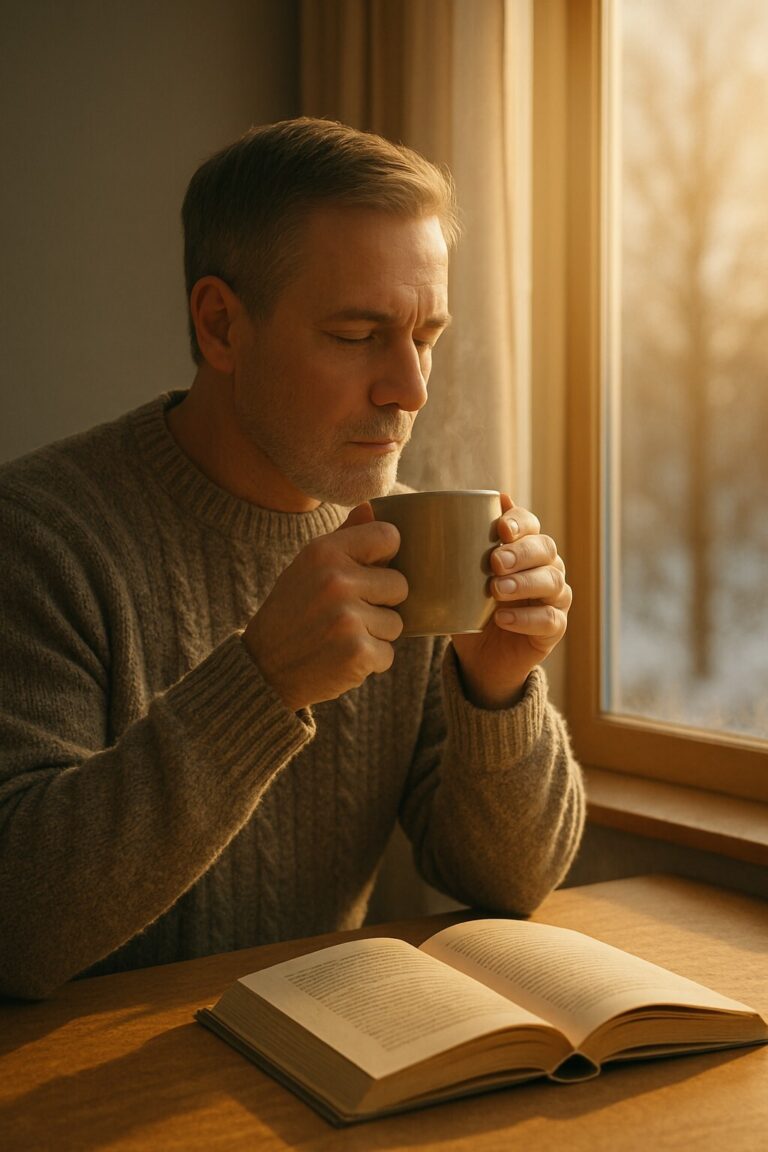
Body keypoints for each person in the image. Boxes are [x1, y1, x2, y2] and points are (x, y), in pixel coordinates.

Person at [0, 118, 583, 1000]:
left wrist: (495, 690)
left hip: (322, 1075)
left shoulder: (405, 540)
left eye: (426, 334)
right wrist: (261, 684)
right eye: (359, 334)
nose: (411, 389)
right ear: (222, 325)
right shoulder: (40, 539)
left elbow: (508, 881)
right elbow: (16, 930)